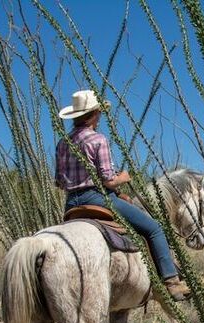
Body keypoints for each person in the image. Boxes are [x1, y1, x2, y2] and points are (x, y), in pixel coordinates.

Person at [55, 90, 190, 301]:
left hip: (71, 203)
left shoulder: (63, 143)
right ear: (94, 114)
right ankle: (171, 281)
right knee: (154, 229)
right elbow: (108, 179)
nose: (100, 116)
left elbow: (60, 182)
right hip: (97, 198)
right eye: (99, 112)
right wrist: (123, 178)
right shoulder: (98, 139)